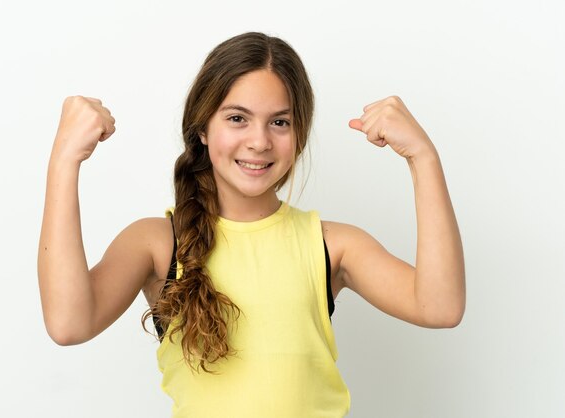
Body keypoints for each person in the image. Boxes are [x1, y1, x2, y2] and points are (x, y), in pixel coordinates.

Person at [38, 32, 465, 418]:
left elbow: (440, 308)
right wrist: (64, 160)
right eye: (237, 118)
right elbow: (69, 324)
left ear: (298, 133)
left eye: (279, 122)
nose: (260, 141)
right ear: (202, 127)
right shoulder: (157, 243)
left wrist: (423, 158)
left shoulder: (331, 244)